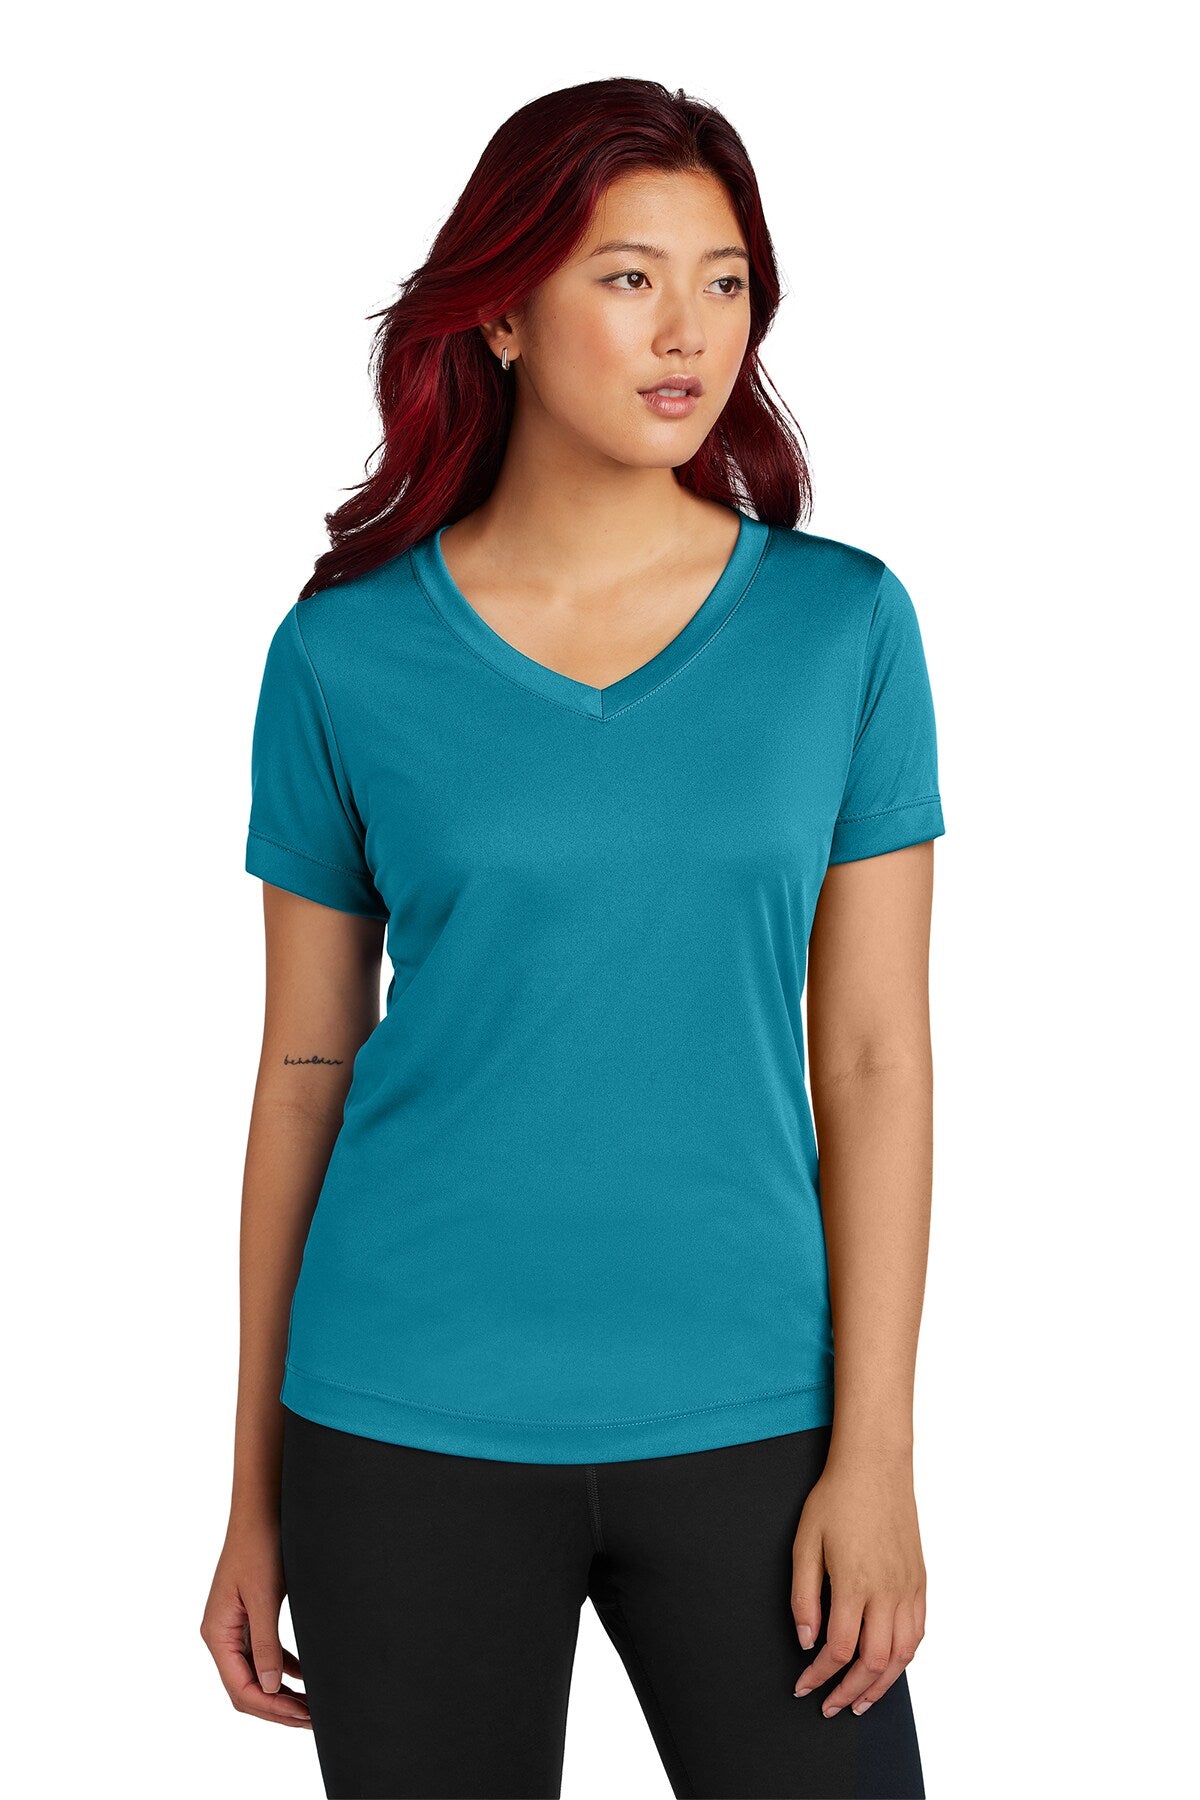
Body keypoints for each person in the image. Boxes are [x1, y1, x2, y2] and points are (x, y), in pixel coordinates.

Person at [201, 75, 943, 1800]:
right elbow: (303, 1071)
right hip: (399, 1420)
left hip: (758, 1418)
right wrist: (250, 1491)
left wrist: (879, 1456)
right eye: (628, 277)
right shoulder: (342, 658)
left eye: (725, 281)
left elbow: (874, 1060)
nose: (689, 330)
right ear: (504, 313)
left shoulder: (843, 629)